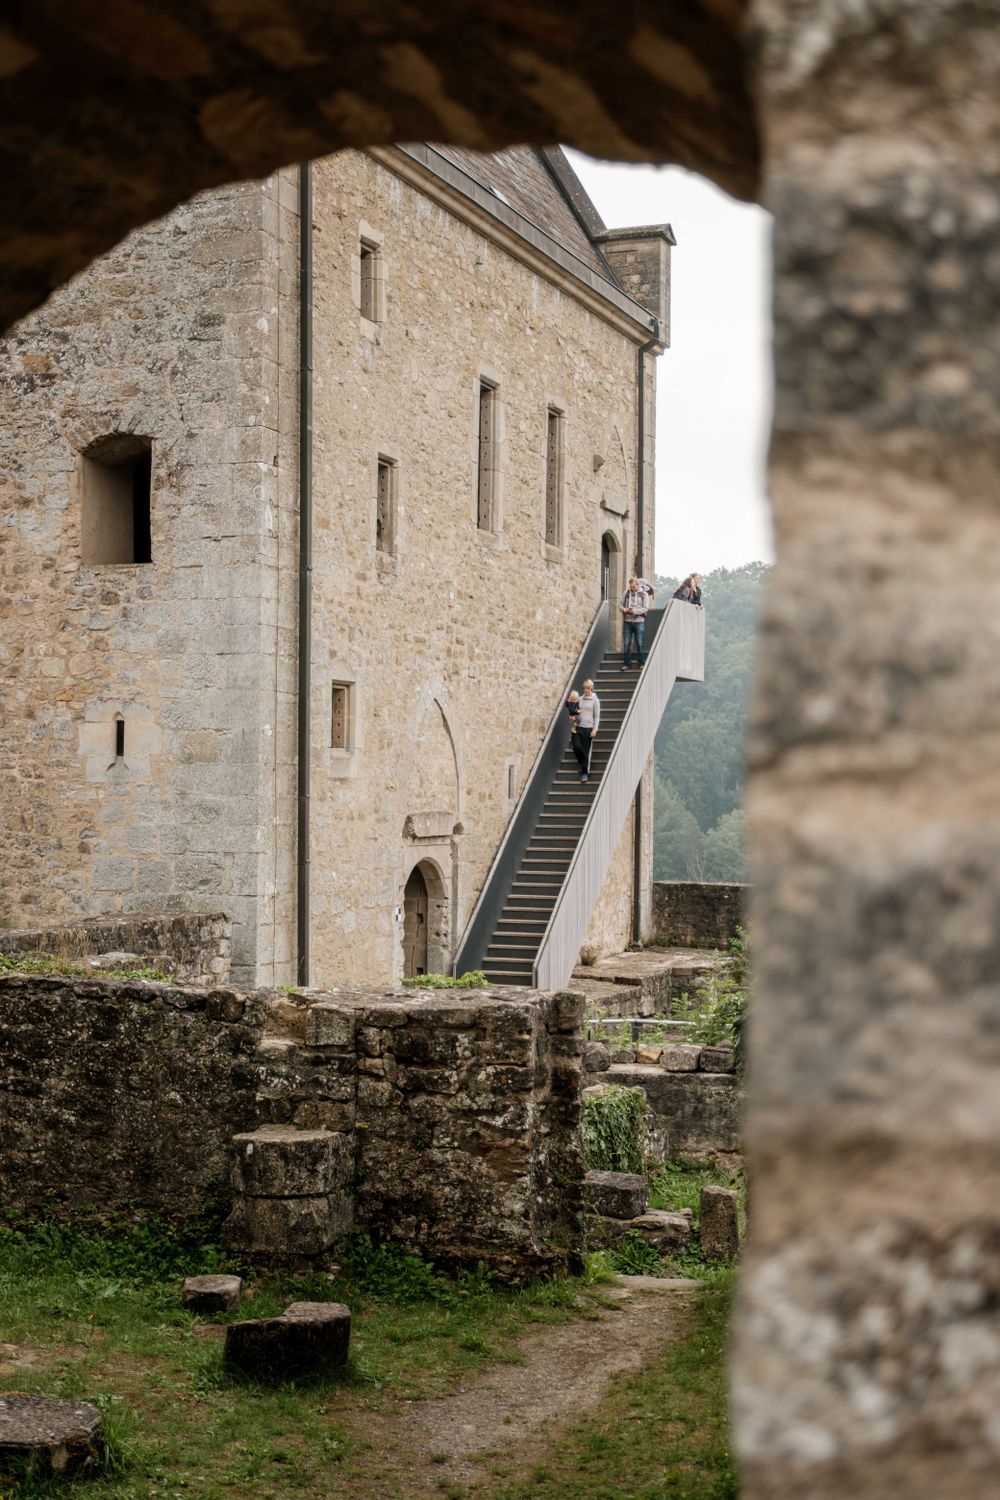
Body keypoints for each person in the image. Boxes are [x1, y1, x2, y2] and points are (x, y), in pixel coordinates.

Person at [619, 575, 655, 670]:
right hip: (627, 621)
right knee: (626, 643)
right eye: (630, 586)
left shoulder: (644, 594)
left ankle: (641, 664)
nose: (631, 588)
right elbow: (620, 605)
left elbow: (645, 609)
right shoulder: (626, 593)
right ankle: (627, 664)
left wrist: (634, 611)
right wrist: (625, 609)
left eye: (633, 587)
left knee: (639, 643)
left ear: (638, 585)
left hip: (639, 621)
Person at [572, 679, 600, 782]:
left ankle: (584, 773)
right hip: (578, 727)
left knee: (586, 751)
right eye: (585, 688)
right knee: (576, 747)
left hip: (588, 728)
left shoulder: (595, 700)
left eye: (588, 688)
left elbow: (597, 716)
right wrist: (573, 716)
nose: (586, 690)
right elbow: (574, 712)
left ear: (591, 688)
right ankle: (582, 762)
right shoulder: (579, 699)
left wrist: (595, 729)